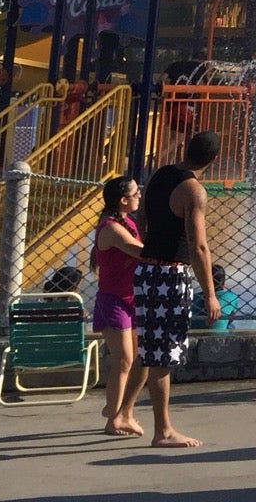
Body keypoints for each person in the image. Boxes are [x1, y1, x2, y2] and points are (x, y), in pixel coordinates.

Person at [116, 130, 223, 448]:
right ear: (213, 160)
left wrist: (154, 246)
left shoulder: (159, 175)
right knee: (162, 356)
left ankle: (123, 413)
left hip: (147, 270)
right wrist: (211, 293)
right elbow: (198, 246)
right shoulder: (194, 192)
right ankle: (163, 431)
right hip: (171, 275)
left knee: (149, 348)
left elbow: (144, 220)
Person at [91, 174, 143, 436]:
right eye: (136, 193)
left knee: (138, 360)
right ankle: (113, 416)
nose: (140, 196)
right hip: (113, 301)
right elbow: (139, 251)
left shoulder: (128, 221)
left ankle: (123, 413)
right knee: (123, 361)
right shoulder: (111, 228)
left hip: (132, 299)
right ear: (123, 200)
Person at [191, 264, 239, 331]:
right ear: (223, 281)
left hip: (193, 332)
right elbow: (230, 319)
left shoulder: (194, 297)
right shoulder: (232, 297)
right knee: (231, 326)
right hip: (219, 335)